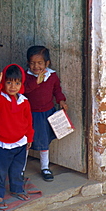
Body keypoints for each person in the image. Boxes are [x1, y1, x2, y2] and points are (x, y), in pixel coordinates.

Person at [0, 64, 34, 210]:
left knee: (17, 169)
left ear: (21, 84)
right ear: (4, 82)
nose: (13, 86)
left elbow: (28, 121)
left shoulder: (24, 101)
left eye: (17, 83)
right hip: (2, 144)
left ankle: (17, 188)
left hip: (20, 142)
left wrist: (29, 137)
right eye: (9, 82)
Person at [24, 46, 68, 181]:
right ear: (28, 63)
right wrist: (36, 83)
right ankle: (20, 169)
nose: (36, 66)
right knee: (25, 142)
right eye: (32, 63)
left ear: (47, 63)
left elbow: (57, 90)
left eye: (40, 63)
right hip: (29, 114)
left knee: (44, 143)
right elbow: (22, 91)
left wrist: (61, 100)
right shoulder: (26, 76)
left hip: (46, 114)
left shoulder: (52, 76)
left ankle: (45, 167)